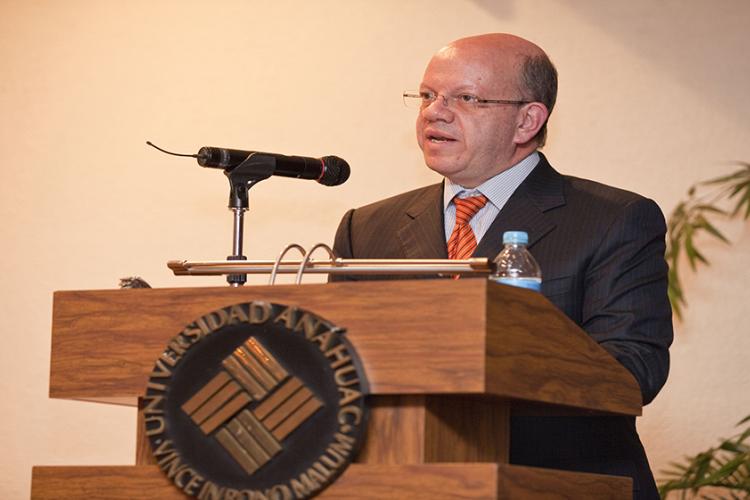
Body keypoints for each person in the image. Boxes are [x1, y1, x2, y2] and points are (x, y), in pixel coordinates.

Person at [331, 33, 672, 499]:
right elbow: (336, 365)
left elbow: (634, 370)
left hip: (561, 482)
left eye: (467, 98)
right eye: (428, 95)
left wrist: (485, 364)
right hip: (403, 481)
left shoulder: (613, 219)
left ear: (527, 120)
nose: (435, 111)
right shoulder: (367, 228)